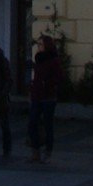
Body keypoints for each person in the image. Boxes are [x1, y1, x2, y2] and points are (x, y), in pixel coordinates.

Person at [26, 34, 62, 164]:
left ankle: (47, 151)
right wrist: (32, 89)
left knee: (48, 125)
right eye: (38, 44)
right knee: (32, 123)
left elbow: (58, 77)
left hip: (48, 97)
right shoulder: (38, 58)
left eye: (41, 44)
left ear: (47, 45)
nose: (39, 46)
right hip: (37, 95)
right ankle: (35, 150)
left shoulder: (53, 60)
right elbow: (36, 77)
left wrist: (47, 84)